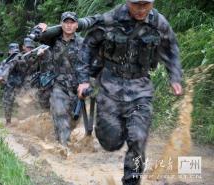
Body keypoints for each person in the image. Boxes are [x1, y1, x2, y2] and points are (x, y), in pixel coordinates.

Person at [76, 0, 183, 184]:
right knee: (110, 142)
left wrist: (175, 77)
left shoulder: (158, 22)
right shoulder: (110, 19)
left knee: (138, 138)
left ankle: (132, 181)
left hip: (140, 89)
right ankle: (120, 129)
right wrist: (83, 80)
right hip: (110, 88)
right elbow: (87, 46)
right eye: (136, 5)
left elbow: (171, 48)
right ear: (128, 2)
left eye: (146, 5)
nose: (141, 10)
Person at [37, 12, 84, 146]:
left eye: (72, 22)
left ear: (76, 25)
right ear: (61, 24)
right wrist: (43, 28)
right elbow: (39, 36)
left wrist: (87, 84)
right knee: (60, 112)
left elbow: (89, 65)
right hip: (59, 86)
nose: (69, 25)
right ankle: (64, 148)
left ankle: (60, 140)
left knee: (73, 119)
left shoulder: (82, 43)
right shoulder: (53, 40)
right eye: (66, 22)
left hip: (76, 87)